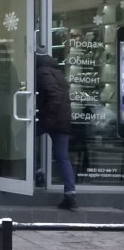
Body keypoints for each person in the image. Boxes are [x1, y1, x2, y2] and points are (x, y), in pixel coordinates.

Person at [35, 52, 77, 211]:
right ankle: (70, 194)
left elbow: (55, 95)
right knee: (63, 157)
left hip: (51, 119)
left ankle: (37, 172)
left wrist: (49, 119)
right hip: (63, 120)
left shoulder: (42, 71)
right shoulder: (57, 72)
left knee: (23, 138)